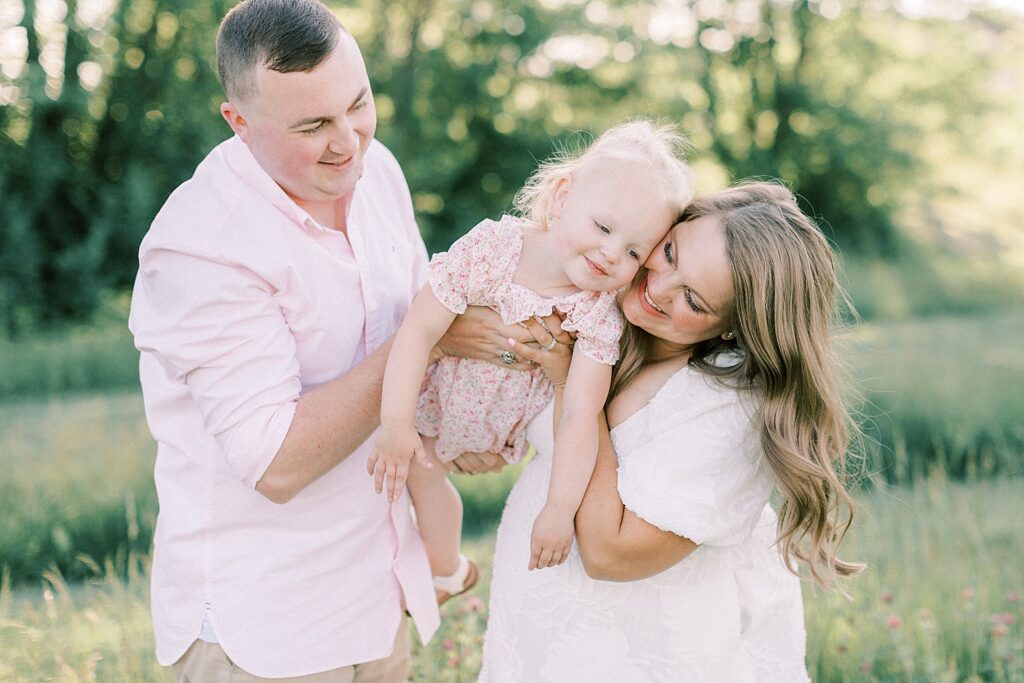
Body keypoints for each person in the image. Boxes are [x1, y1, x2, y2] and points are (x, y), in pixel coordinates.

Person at [128, 1, 539, 679]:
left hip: (377, 599)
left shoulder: (378, 174)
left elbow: (418, 349)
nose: (348, 140)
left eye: (359, 104)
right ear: (239, 122)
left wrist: (470, 422)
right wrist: (428, 338)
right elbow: (277, 464)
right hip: (263, 630)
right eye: (313, 124)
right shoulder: (203, 247)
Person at [478, 182, 865, 682]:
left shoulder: (729, 404)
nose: (656, 289)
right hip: (539, 645)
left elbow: (610, 553)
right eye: (670, 253)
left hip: (642, 657)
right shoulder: (603, 312)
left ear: (732, 326)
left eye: (694, 300)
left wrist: (568, 379)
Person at [367, 121, 692, 596]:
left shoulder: (598, 311)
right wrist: (396, 424)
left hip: (508, 427)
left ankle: (440, 572)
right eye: (603, 227)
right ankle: (446, 570)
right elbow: (419, 331)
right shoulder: (493, 250)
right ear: (561, 198)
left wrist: (559, 509)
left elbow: (581, 413)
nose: (608, 253)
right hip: (432, 405)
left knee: (431, 477)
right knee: (416, 474)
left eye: (632, 251)